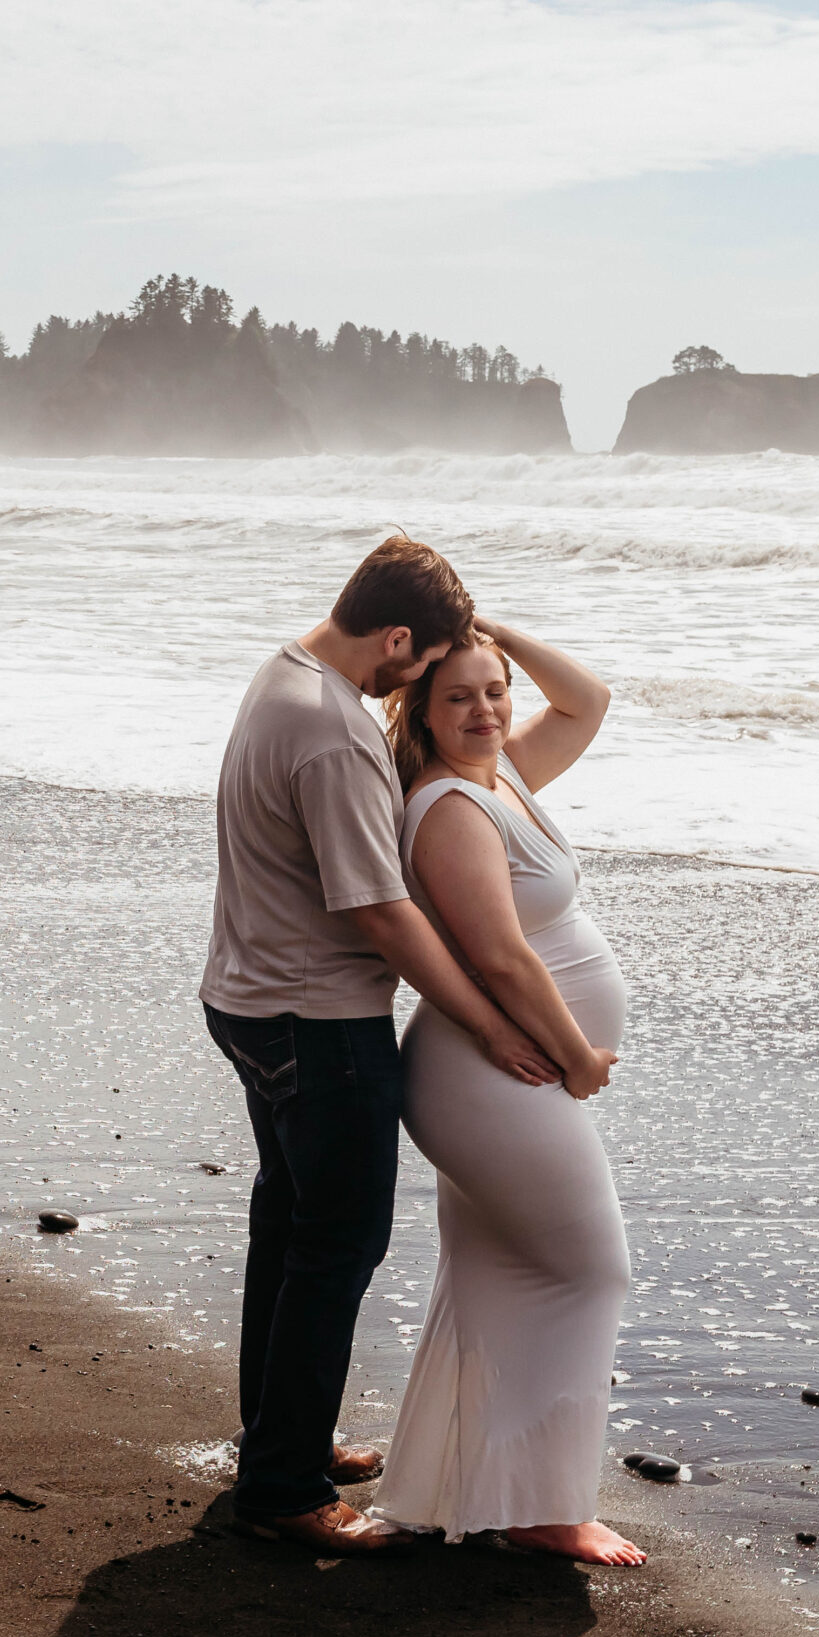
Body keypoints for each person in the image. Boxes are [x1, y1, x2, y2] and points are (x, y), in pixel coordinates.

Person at [202, 537, 561, 1558]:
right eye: (429, 660)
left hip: (249, 999)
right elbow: (382, 915)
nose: (421, 683)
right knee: (337, 1243)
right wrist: (493, 1022)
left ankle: (280, 1439)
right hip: (314, 1020)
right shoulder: (331, 731)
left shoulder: (284, 674)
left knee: (290, 1223)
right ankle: (281, 1488)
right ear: (397, 639)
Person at [370, 618, 648, 1567]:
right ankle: (545, 1509)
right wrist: (577, 1057)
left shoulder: (506, 775)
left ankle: (469, 1488)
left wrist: (490, 634)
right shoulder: (449, 808)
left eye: (494, 692)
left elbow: (589, 699)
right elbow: (498, 954)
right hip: (490, 1075)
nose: (486, 710)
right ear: (421, 711)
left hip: (502, 1073)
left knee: (493, 1280)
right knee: (589, 1270)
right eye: (459, 697)